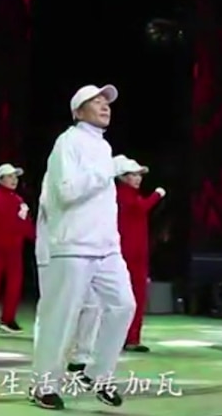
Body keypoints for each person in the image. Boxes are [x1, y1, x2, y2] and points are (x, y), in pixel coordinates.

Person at [31, 84, 136, 410]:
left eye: (106, 101)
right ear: (78, 111)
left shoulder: (103, 148)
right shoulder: (68, 142)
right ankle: (43, 385)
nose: (105, 105)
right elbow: (66, 191)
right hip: (74, 245)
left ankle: (97, 374)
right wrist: (110, 169)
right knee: (60, 318)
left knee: (124, 306)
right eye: (95, 101)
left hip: (106, 246)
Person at [33, 188, 101, 392]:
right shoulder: (58, 178)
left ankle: (80, 360)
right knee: (53, 313)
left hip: (81, 254)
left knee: (92, 306)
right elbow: (57, 208)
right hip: (53, 255)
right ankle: (45, 373)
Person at [114, 155, 165, 352]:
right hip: (125, 252)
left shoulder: (131, 195)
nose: (138, 178)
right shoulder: (122, 195)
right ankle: (124, 337)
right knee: (125, 296)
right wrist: (157, 195)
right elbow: (141, 208)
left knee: (138, 295)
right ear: (123, 177)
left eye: (138, 175)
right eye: (133, 175)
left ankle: (132, 337)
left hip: (137, 252)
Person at [0, 162, 33, 334]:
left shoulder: (19, 202)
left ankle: (8, 319)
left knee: (14, 284)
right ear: (0, 179)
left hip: (13, 250)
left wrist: (26, 223)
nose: (14, 180)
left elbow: (25, 229)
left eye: (15, 177)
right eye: (10, 176)